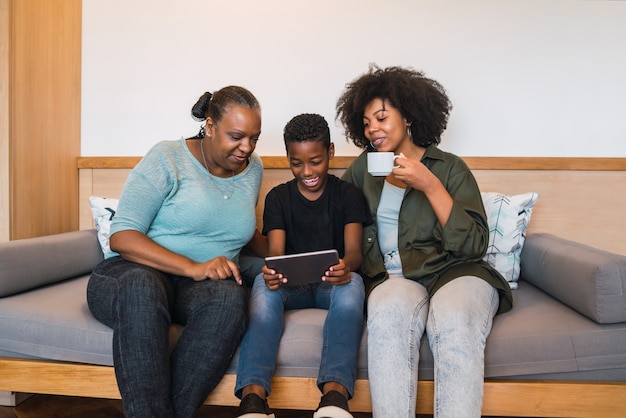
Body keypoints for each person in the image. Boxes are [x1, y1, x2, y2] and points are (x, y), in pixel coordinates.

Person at [335, 65, 513, 418]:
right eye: (367, 122)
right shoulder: (363, 170)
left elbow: (474, 244)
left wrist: (430, 185)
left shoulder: (449, 168)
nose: (373, 129)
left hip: (457, 272)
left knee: (455, 319)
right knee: (385, 315)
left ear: (410, 117)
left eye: (382, 117)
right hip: (394, 279)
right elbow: (340, 222)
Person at [86, 86, 266, 418]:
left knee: (230, 298)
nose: (247, 148)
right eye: (237, 136)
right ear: (209, 126)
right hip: (129, 275)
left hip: (195, 289)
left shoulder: (253, 170)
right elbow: (122, 237)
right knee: (142, 286)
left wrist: (283, 256)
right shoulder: (167, 157)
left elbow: (235, 228)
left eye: (254, 138)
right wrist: (193, 267)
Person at [235, 113, 372, 418]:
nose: (307, 171)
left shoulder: (348, 195)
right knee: (261, 284)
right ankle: (253, 401)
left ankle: (334, 397)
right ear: (288, 158)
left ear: (331, 152)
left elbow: (354, 252)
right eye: (297, 163)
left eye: (316, 161)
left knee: (354, 285)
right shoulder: (279, 198)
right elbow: (277, 255)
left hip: (331, 284)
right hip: (290, 288)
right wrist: (271, 273)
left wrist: (345, 266)